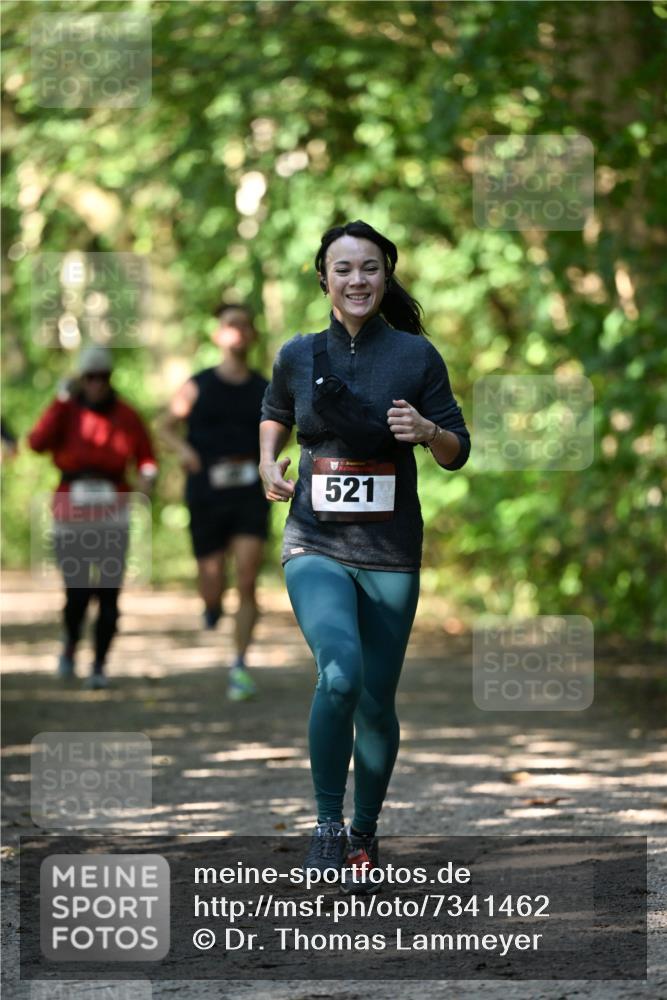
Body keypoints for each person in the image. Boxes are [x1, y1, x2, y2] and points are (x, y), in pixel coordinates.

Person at [259, 220, 471, 890]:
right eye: (343, 268)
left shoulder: (416, 356)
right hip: (314, 541)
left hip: (390, 550)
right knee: (340, 676)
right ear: (323, 278)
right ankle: (327, 826)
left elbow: (457, 451)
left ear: (386, 275)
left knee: (376, 701)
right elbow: (275, 409)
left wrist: (427, 430)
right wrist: (266, 461)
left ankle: (363, 834)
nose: (357, 280)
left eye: (370, 267)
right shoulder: (298, 353)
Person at [27, 346, 158, 689]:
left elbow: (146, 458)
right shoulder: (66, 410)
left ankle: (99, 663)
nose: (97, 384)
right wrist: (60, 401)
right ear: (80, 379)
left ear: (110, 378)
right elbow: (36, 443)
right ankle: (71, 641)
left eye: (103, 377)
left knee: (109, 594)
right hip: (70, 512)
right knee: (78, 590)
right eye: (90, 377)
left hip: (113, 513)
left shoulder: (126, 415)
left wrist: (147, 480)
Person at [160, 303, 269, 701]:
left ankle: (239, 664)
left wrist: (268, 461)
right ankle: (211, 604)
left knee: (247, 578)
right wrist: (185, 451)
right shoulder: (198, 385)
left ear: (252, 335)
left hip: (248, 495)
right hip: (206, 492)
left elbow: (281, 430)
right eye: (230, 325)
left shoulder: (264, 388)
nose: (237, 331)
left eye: (244, 324)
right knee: (211, 579)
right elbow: (165, 427)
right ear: (218, 335)